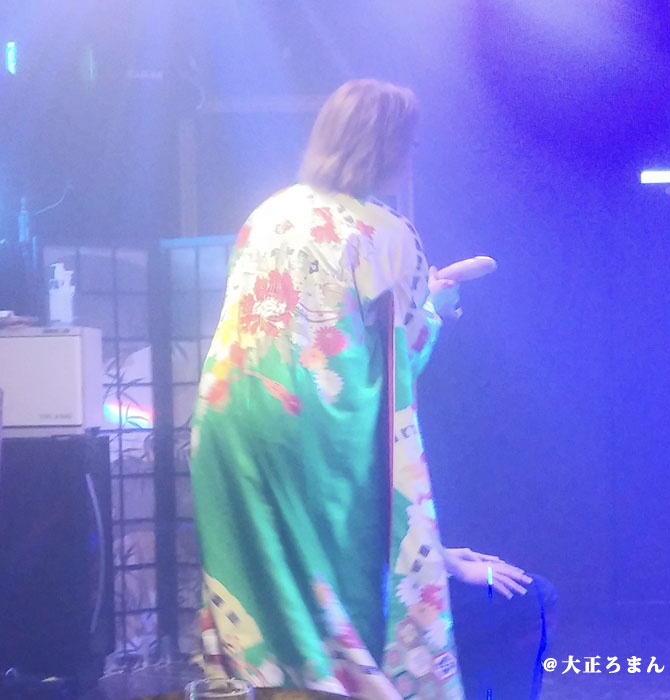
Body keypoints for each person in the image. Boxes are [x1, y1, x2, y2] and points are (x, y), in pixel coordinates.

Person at [189, 78, 530, 700]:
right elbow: (405, 354)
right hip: (311, 424)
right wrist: (442, 296)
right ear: (387, 146)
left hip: (225, 416)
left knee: (259, 570)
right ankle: (350, 684)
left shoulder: (268, 212)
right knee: (342, 574)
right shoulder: (385, 231)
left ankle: (260, 682)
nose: (414, 155)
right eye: (410, 143)